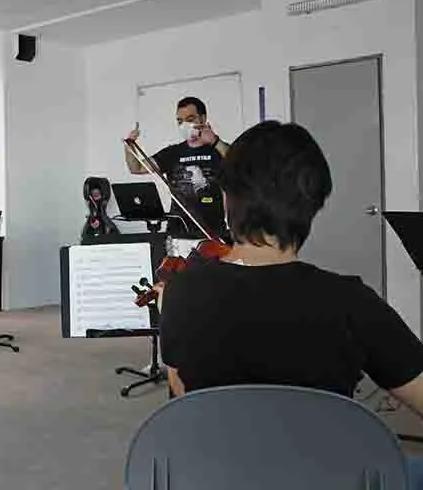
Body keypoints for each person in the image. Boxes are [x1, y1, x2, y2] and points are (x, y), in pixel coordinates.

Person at [159, 121, 423, 479]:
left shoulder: (181, 291)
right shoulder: (352, 303)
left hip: (213, 478)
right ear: (314, 205)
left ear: (226, 198)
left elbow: (185, 401)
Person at [124, 96, 229, 237]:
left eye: (190, 119)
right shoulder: (172, 153)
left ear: (203, 119)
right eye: (180, 121)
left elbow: (239, 162)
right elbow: (136, 168)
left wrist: (215, 141)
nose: (184, 125)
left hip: (213, 232)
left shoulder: (218, 149)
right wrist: (129, 145)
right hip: (177, 230)